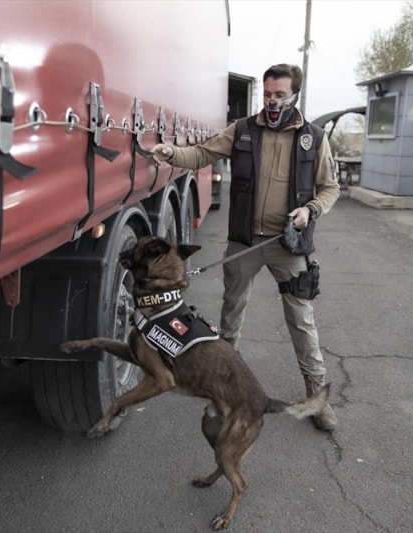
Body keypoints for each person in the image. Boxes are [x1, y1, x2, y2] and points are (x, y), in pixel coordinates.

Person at [152, 63, 339, 431]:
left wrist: (310, 210)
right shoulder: (242, 130)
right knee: (231, 317)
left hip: (288, 245)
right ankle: (224, 391)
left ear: (295, 95)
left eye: (280, 95)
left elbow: (330, 187)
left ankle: (317, 397)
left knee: (301, 321)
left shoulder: (314, 138)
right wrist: (171, 152)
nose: (272, 101)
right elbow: (201, 154)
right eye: (267, 94)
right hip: (244, 243)